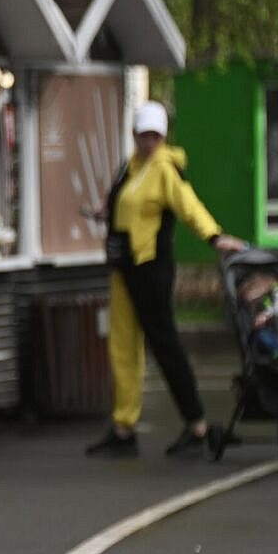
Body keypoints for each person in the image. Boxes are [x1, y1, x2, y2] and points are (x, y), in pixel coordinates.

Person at [86, 102, 248, 457]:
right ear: (135, 135)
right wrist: (106, 210)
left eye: (155, 136)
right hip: (124, 267)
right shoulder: (129, 168)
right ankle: (123, 427)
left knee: (165, 346)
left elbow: (188, 205)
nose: (149, 143)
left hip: (151, 269)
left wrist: (214, 236)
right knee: (123, 348)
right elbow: (124, 204)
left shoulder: (164, 168)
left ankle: (197, 424)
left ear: (162, 137)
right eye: (144, 135)